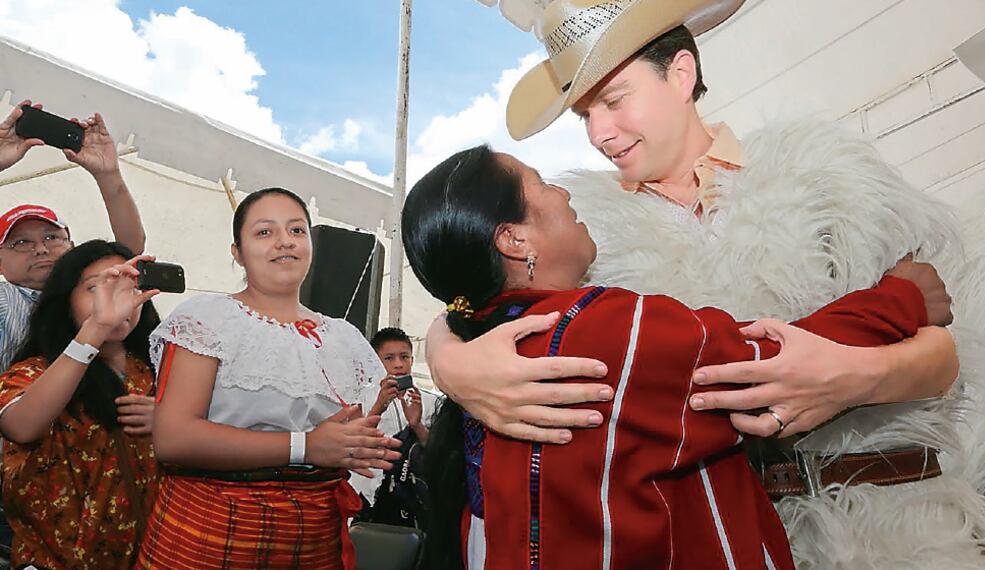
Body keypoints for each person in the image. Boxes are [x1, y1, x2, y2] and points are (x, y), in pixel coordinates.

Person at [424, 0, 985, 567]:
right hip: (732, 538)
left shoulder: (825, 173)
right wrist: (453, 363)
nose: (599, 132)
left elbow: (949, 348)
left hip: (902, 523)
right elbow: (484, 301)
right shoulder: (585, 234)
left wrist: (854, 377)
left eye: (614, 100)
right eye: (584, 115)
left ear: (680, 73)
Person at [403, 145, 952, 569]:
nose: (565, 194)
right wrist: (902, 298)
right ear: (514, 239)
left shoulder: (490, 342)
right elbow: (768, 365)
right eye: (542, 185)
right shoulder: (597, 331)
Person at [135, 187, 401, 569]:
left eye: (296, 231)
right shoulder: (209, 318)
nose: (284, 242)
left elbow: (354, 433)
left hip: (313, 540)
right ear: (237, 252)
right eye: (264, 232)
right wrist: (306, 446)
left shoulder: (344, 338)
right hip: (214, 530)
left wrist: (357, 443)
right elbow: (173, 438)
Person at [0, 240, 161, 569]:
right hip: (54, 561)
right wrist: (95, 328)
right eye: (97, 287)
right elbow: (20, 425)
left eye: (126, 287)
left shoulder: (158, 368)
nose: (114, 300)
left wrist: (171, 421)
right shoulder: (34, 371)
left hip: (150, 556)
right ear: (65, 299)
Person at [0, 100, 146, 372]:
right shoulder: (5, 300)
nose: (41, 249)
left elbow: (129, 251)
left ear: (72, 247)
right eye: (21, 242)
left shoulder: (90, 291)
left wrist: (108, 174)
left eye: (52, 237)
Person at [352, 327, 439, 527]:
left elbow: (436, 451)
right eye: (389, 358)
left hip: (415, 495)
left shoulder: (430, 401)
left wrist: (416, 425)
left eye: (404, 357)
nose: (398, 364)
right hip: (369, 492)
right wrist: (378, 408)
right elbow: (351, 443)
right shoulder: (360, 397)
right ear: (375, 362)